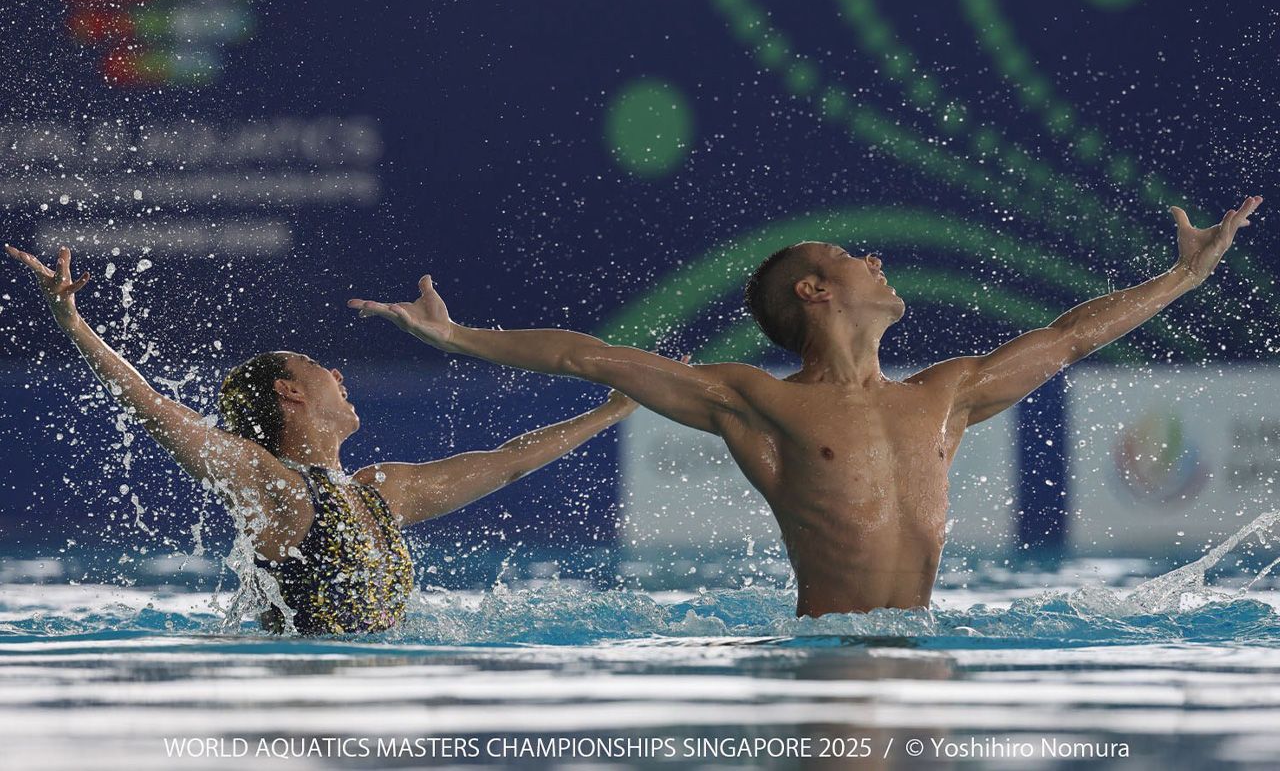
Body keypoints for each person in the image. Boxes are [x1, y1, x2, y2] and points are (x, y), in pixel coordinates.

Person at [348, 196, 1263, 618]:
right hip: (827, 660)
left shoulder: (944, 395)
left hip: (924, 649)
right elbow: (590, 356)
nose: (878, 260)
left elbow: (1066, 340)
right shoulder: (756, 403)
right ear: (816, 291)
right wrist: (459, 338)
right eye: (857, 257)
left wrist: (1181, 278)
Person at [5, 244, 638, 634]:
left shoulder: (382, 491)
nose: (337, 373)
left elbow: (506, 463)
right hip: (302, 689)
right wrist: (73, 323)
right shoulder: (274, 485)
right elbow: (157, 410)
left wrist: (613, 410)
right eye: (317, 366)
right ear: (291, 392)